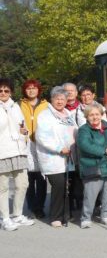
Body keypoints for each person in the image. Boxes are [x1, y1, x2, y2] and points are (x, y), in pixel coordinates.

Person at [77, 103, 107, 228]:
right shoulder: (83, 130)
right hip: (94, 167)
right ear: (87, 116)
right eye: (91, 115)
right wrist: (105, 151)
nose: (95, 117)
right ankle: (86, 217)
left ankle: (105, 215)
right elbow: (85, 145)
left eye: (97, 114)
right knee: (90, 195)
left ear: (101, 115)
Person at [36, 87, 78, 228]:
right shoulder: (45, 115)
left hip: (70, 157)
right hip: (54, 158)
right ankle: (56, 216)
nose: (60, 101)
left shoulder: (68, 114)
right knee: (59, 185)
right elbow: (42, 137)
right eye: (57, 98)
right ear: (52, 99)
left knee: (68, 186)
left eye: (63, 98)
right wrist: (59, 148)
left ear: (67, 100)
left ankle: (66, 213)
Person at [0, 78, 35, 231]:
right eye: (0, 90)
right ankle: (5, 218)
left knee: (22, 184)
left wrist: (24, 132)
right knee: (3, 187)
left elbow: (23, 126)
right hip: (2, 151)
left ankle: (17, 214)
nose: (3, 93)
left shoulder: (15, 106)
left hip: (19, 150)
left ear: (11, 92)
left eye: (6, 90)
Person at [19, 79, 49, 219]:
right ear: (25, 90)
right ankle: (31, 205)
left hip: (41, 144)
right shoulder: (18, 105)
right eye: (28, 88)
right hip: (24, 145)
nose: (31, 90)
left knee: (41, 178)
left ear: (38, 90)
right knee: (28, 179)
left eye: (34, 88)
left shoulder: (46, 105)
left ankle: (39, 207)